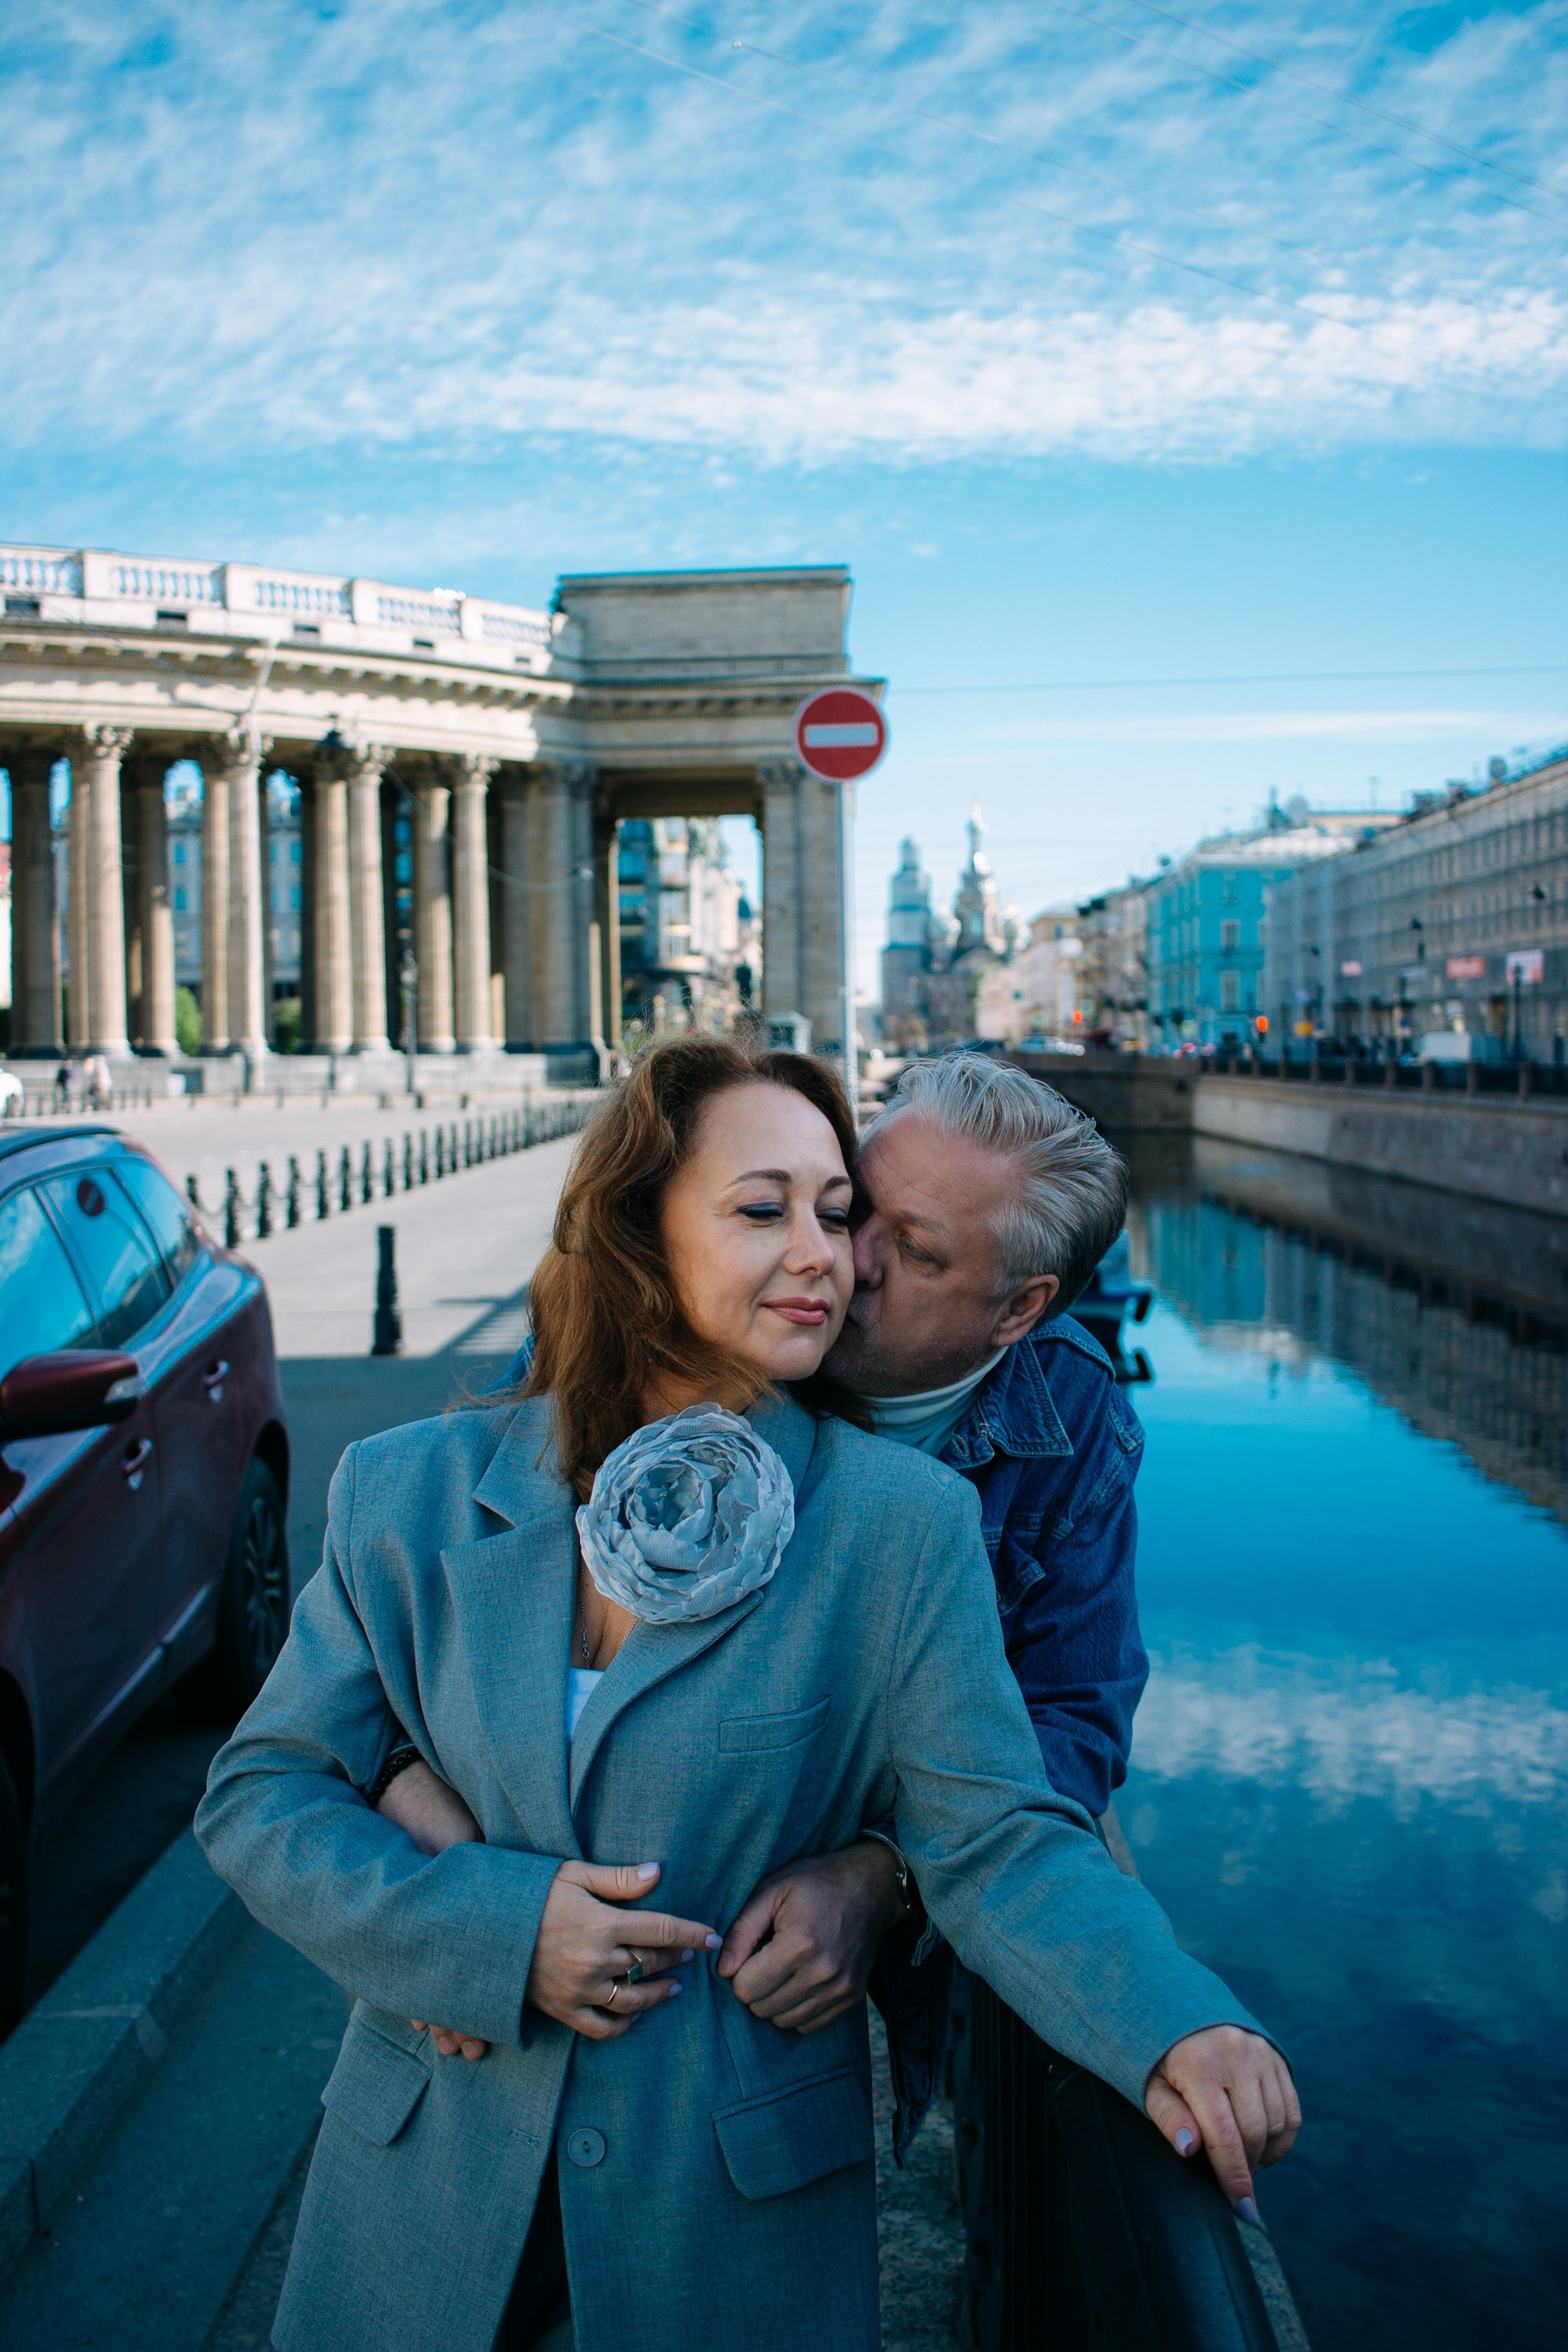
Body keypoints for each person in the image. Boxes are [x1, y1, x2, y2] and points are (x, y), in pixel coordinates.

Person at [197, 1038, 1298, 2352]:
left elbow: (1005, 1828)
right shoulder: (408, 1485)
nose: (838, 1257)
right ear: (641, 1230)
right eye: (769, 1209)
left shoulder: (904, 1524)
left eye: (841, 1215)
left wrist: (1175, 2017)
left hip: (723, 2232)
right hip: (418, 2204)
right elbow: (262, 1790)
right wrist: (481, 1925)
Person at [393, 1054, 1146, 2151]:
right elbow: (418, 1610)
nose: (837, 1261)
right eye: (855, 1208)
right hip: (566, 1946)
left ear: (1017, 1308)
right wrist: (426, 1855)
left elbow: (1066, 1727)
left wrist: (883, 1875)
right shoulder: (664, 1325)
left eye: (915, 1252)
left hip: (774, 2002)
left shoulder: (1073, 1420)